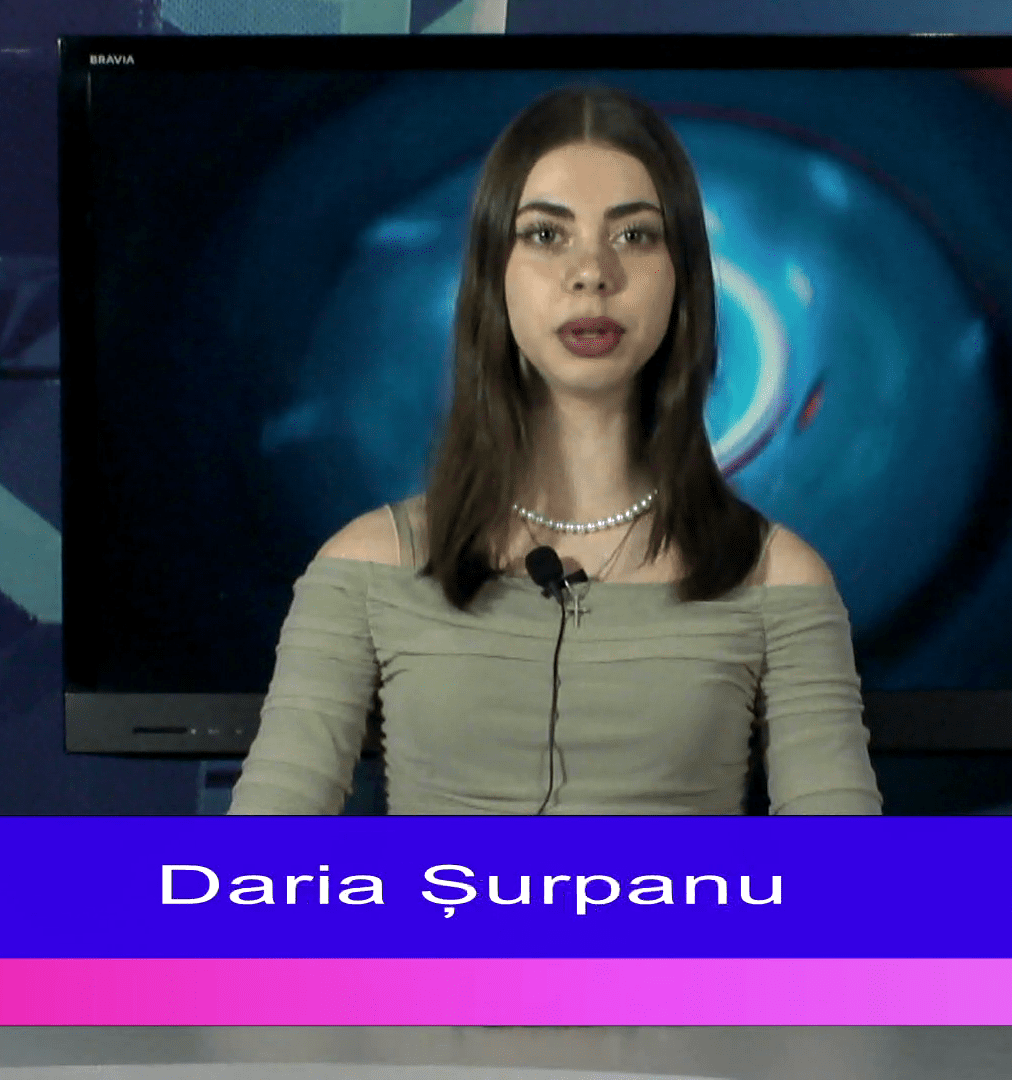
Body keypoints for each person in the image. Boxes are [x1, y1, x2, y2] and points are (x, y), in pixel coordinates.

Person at [229, 85, 881, 815]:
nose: (592, 272)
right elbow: (256, 859)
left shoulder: (777, 576)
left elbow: (847, 869)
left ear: (684, 277)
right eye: (545, 234)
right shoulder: (365, 566)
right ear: (493, 274)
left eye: (634, 235)